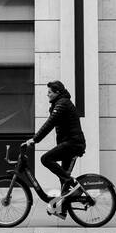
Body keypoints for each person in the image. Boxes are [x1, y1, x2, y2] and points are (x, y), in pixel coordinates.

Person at [21, 80, 85, 218]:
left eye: (49, 92)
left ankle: (72, 182)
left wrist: (34, 140)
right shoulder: (60, 103)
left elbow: (49, 124)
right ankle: (62, 210)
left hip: (73, 144)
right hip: (69, 144)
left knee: (46, 158)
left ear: (57, 92)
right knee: (63, 180)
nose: (47, 95)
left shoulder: (62, 104)